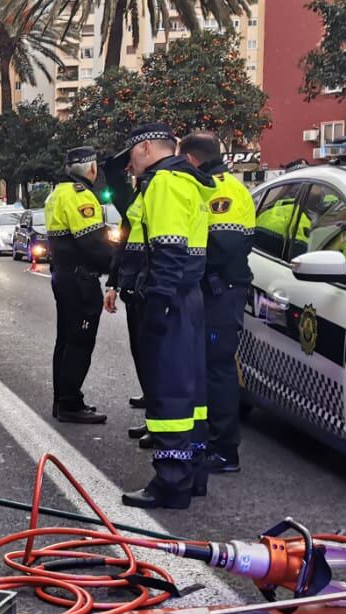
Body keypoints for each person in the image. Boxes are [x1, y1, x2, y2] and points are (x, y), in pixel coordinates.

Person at [109, 123, 216, 510]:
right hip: (188, 299)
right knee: (192, 396)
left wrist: (157, 303)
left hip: (172, 299)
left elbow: (168, 253)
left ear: (147, 148)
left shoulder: (166, 184)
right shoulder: (184, 181)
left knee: (169, 393)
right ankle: (193, 474)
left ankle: (171, 483)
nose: (130, 166)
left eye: (132, 156)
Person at [179, 131, 255, 476]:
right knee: (208, 368)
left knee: (218, 367)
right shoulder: (212, 185)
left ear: (193, 159)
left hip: (221, 291)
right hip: (214, 290)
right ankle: (210, 441)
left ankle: (225, 451)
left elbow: (225, 245)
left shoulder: (222, 189)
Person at [44, 146, 113, 424]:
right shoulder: (79, 196)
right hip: (80, 280)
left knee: (66, 339)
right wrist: (118, 267)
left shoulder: (57, 193)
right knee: (80, 341)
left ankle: (62, 400)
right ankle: (70, 402)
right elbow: (93, 244)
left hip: (64, 276)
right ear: (92, 169)